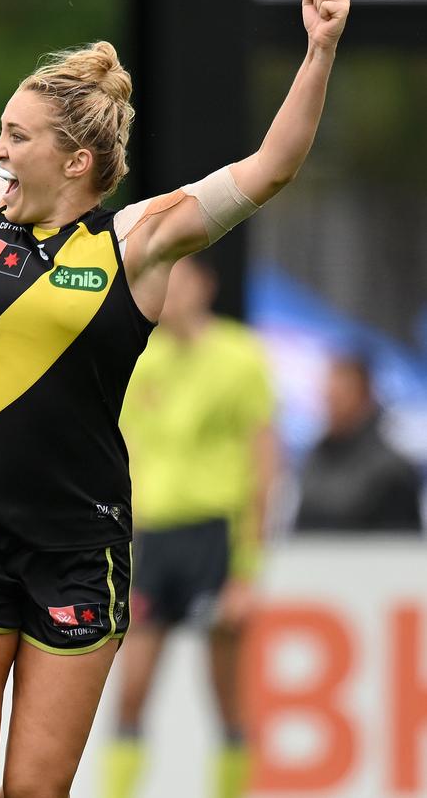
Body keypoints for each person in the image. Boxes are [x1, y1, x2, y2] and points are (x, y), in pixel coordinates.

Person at [0, 0, 350, 798]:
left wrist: (317, 54)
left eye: (16, 138)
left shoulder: (136, 243)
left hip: (76, 548)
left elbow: (269, 169)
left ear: (77, 161)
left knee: (34, 790)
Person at [102, 256, 277, 798]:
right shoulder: (143, 360)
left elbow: (264, 464)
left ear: (206, 284)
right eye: (161, 281)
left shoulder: (240, 356)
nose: (169, 293)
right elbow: (121, 460)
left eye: (180, 280)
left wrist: (246, 572)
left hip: (213, 535)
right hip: (156, 539)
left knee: (224, 692)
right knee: (131, 690)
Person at [294, 353, 422, 532]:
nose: (331, 407)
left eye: (339, 398)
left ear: (364, 398)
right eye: (328, 398)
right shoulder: (316, 457)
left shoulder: (392, 470)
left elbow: (403, 548)